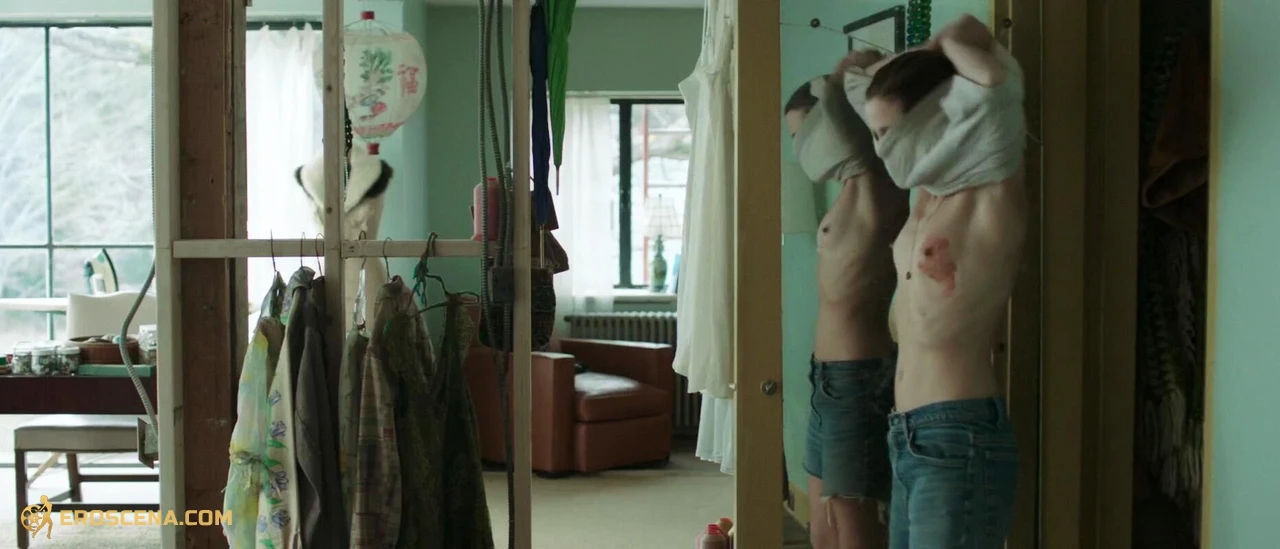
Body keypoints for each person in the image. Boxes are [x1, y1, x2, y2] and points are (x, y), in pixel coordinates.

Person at [838, 14, 1027, 549]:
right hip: (906, 431)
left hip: (957, 433)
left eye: (889, 133)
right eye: (876, 133)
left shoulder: (992, 188)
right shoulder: (928, 191)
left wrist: (934, 46)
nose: (882, 148)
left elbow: (988, 73)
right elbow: (852, 80)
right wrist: (878, 67)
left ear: (933, 120)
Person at [784, 61, 909, 549]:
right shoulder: (852, 189)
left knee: (853, 532)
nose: (800, 150)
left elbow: (841, 104)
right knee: (821, 531)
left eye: (802, 135)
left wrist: (838, 78)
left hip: (858, 380)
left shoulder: (879, 186)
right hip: (828, 379)